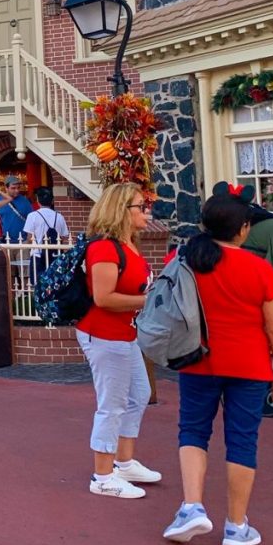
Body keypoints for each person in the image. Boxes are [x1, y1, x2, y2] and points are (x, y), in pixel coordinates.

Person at [162, 192, 273, 545]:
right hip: (248, 364)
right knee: (242, 441)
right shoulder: (258, 268)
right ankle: (236, 525)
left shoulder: (186, 259)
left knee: (192, 430)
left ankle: (191, 506)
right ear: (244, 229)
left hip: (198, 358)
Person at [76, 183, 156, 498]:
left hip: (125, 332)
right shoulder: (105, 248)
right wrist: (149, 301)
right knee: (112, 403)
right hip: (105, 334)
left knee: (139, 393)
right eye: (141, 206)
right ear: (121, 211)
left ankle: (123, 461)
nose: (147, 212)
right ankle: (102, 475)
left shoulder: (129, 245)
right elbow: (104, 297)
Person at [23, 186, 70, 282]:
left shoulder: (32, 216)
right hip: (55, 255)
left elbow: (29, 238)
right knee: (55, 283)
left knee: (37, 284)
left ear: (37, 200)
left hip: (37, 255)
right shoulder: (59, 216)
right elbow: (63, 237)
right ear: (52, 201)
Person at [0, 175, 32, 241]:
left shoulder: (25, 201)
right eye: (13, 188)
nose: (17, 191)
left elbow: (31, 220)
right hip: (4, 240)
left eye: (18, 188)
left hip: (22, 240)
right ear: (6, 188)